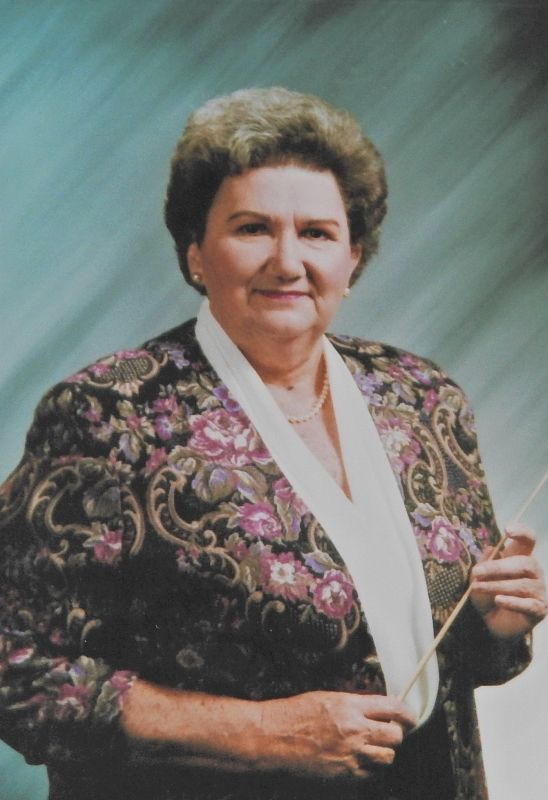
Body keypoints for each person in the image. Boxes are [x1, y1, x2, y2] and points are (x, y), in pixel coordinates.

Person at [0, 87, 545, 800]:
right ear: (196, 253)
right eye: (253, 228)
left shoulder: (423, 398)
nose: (287, 262)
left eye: (317, 233)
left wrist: (496, 624)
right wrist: (259, 734)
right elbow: (15, 668)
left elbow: (452, 662)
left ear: (353, 257)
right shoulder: (110, 415)